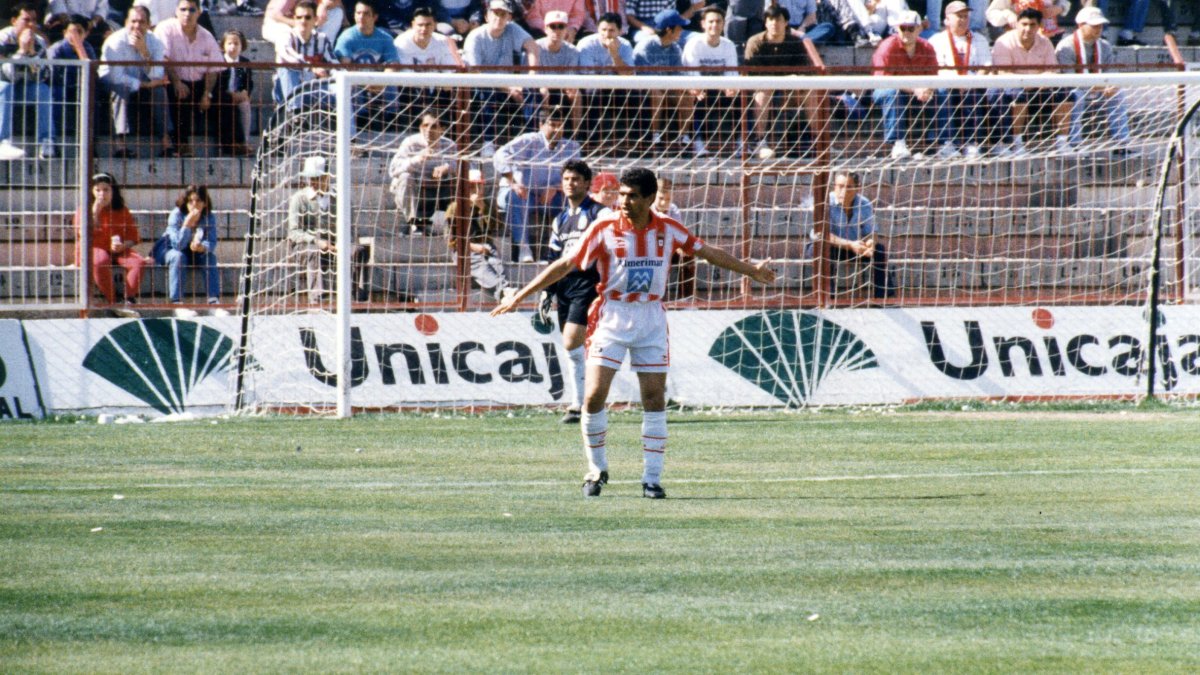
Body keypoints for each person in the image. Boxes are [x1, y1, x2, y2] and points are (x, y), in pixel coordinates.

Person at [491, 167, 776, 499]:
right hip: (612, 314)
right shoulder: (605, 228)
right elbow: (566, 263)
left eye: (632, 196)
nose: (624, 201)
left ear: (650, 199)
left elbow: (708, 252)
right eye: (622, 195)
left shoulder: (668, 229)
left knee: (653, 399)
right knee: (594, 395)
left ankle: (651, 478)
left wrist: (751, 271)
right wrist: (519, 296)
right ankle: (596, 471)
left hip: (650, 318)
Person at [538, 159, 607, 423]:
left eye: (576, 179)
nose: (571, 183)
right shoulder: (560, 220)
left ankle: (581, 404)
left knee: (571, 340)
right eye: (567, 179)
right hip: (564, 285)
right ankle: (578, 403)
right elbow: (552, 258)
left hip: (588, 281)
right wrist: (547, 291)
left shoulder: (599, 214)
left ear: (588, 183)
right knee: (572, 348)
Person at [494, 106, 581, 262]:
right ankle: (523, 248)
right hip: (522, 192)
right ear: (541, 125)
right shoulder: (528, 140)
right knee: (515, 198)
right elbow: (499, 155)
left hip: (551, 195)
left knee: (574, 200)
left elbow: (578, 175)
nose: (557, 129)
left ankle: (565, 247)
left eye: (560, 125)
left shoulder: (571, 147)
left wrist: (555, 188)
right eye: (552, 125)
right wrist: (513, 183)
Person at [287, 156, 372, 303]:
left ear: (327, 177)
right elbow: (294, 232)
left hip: (334, 244)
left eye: (317, 178)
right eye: (310, 178)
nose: (313, 182)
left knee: (357, 250)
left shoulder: (341, 197)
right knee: (314, 251)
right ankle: (317, 297)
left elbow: (349, 227)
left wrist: (342, 242)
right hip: (306, 245)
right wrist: (316, 241)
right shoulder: (299, 198)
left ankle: (354, 295)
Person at [462, 0, 539, 158]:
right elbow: (476, 73)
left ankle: (533, 141)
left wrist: (532, 77)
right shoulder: (475, 37)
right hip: (482, 86)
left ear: (509, 17)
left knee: (532, 91)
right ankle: (488, 142)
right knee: (486, 92)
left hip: (509, 85)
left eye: (503, 14)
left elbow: (532, 45)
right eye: (495, 13)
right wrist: (509, 88)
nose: (498, 17)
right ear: (486, 16)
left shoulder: (512, 29)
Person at [744, 4, 819, 158]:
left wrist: (792, 81)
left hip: (789, 91)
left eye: (778, 20)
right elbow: (753, 74)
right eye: (770, 20)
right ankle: (759, 141)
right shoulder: (755, 42)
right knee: (764, 92)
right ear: (765, 23)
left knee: (811, 92)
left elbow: (803, 71)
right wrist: (781, 80)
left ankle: (818, 141)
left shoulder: (795, 42)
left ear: (786, 23)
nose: (774, 23)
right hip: (761, 89)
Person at [990, 7, 1066, 156]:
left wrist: (1032, 82)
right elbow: (1003, 73)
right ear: (1017, 24)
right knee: (1017, 94)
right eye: (1024, 24)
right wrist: (1033, 81)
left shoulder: (1045, 42)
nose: (1027, 29)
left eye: (1032, 25)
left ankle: (1062, 142)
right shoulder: (1003, 42)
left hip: (1038, 90)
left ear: (1039, 26)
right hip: (1012, 91)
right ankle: (1017, 142)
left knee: (1065, 94)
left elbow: (1052, 71)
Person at [99, 5, 171, 158]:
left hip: (143, 83)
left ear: (149, 23)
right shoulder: (115, 41)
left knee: (159, 91)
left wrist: (144, 52)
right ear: (126, 22)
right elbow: (116, 77)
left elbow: (156, 75)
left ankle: (166, 142)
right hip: (113, 83)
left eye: (142, 21)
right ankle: (120, 145)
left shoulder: (156, 42)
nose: (137, 25)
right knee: (121, 90)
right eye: (133, 21)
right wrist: (144, 84)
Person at [1055, 6, 1130, 153]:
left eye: (1101, 26)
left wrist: (1111, 86)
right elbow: (1069, 79)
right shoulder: (1066, 46)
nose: (1098, 29)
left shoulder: (1105, 46)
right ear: (1081, 25)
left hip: (1099, 89)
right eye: (1094, 26)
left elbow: (1111, 73)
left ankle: (1122, 144)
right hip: (1074, 90)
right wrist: (1098, 87)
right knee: (1075, 96)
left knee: (1118, 95)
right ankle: (1074, 144)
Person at [155, 0, 223, 157]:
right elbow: (164, 58)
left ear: (199, 12)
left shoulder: (206, 36)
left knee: (224, 98)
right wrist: (177, 82)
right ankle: (182, 144)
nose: (187, 14)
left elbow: (213, 69)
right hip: (174, 80)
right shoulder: (165, 28)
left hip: (200, 83)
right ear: (176, 11)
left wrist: (207, 93)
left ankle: (233, 144)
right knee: (178, 93)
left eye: (192, 10)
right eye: (183, 9)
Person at [813, 171, 895, 298]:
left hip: (854, 247)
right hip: (828, 246)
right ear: (834, 186)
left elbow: (872, 232)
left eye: (849, 187)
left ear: (858, 188)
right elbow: (820, 234)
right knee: (823, 249)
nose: (844, 191)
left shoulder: (865, 203)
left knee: (879, 250)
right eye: (840, 186)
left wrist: (870, 243)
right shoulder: (825, 203)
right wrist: (850, 245)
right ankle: (827, 298)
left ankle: (884, 298)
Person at [871, 10, 939, 159]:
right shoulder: (887, 46)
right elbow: (883, 80)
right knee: (892, 92)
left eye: (911, 28)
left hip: (918, 92)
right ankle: (897, 142)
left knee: (941, 93)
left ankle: (940, 143)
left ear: (919, 29)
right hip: (886, 91)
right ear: (897, 29)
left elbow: (934, 76)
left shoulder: (927, 47)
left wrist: (928, 89)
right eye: (903, 28)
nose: (906, 32)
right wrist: (915, 89)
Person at [927, 0, 991, 158]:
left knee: (974, 94)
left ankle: (972, 143)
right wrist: (955, 81)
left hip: (972, 85)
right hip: (946, 85)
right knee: (943, 92)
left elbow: (986, 66)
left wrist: (972, 82)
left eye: (965, 16)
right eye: (958, 16)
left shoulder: (978, 39)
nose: (963, 20)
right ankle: (946, 143)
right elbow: (932, 69)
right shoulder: (936, 40)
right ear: (947, 20)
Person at [79, 172, 148, 310]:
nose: (101, 194)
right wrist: (94, 213)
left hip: (118, 250)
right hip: (95, 249)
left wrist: (123, 246)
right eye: (97, 190)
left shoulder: (122, 210)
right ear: (91, 192)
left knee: (138, 262)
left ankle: (129, 299)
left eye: (106, 190)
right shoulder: (84, 210)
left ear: (113, 191)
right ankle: (113, 301)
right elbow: (82, 234)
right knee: (100, 261)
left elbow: (133, 237)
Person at [444, 169, 514, 302]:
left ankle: (505, 288)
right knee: (478, 263)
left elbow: (495, 228)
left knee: (495, 261)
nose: (475, 190)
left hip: (485, 245)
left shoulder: (487, 204)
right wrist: (472, 246)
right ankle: (503, 291)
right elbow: (452, 240)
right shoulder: (455, 207)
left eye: (478, 186)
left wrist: (483, 209)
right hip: (464, 249)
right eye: (471, 186)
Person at [632, 9, 695, 151]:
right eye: (679, 28)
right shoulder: (646, 46)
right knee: (656, 93)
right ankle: (655, 135)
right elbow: (644, 79)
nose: (681, 31)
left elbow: (678, 75)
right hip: (645, 91)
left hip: (667, 88)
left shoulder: (675, 48)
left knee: (687, 95)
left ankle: (683, 137)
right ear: (669, 30)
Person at [388, 111, 458, 235]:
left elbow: (459, 165)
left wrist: (447, 167)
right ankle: (413, 222)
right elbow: (393, 169)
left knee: (461, 180)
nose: (429, 130)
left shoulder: (449, 145)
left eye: (434, 126)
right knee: (405, 177)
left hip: (438, 190)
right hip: (415, 190)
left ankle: (457, 224)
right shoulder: (410, 143)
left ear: (442, 129)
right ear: (420, 127)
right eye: (425, 125)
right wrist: (416, 159)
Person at [681, 5, 738, 157]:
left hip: (720, 88)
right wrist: (699, 88)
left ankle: (742, 143)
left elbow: (732, 72)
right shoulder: (694, 44)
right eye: (711, 21)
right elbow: (692, 72)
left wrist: (730, 88)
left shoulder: (728, 45)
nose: (715, 25)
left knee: (741, 98)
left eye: (718, 21)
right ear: (703, 24)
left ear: (723, 24)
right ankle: (698, 142)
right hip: (698, 88)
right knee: (697, 97)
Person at [0, 4, 56, 160]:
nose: (31, 25)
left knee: (43, 90)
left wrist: (31, 54)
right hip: (3, 87)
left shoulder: (39, 42)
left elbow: (43, 76)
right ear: (13, 21)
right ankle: (3, 141)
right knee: (5, 87)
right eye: (26, 20)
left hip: (25, 86)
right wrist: (21, 52)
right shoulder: (3, 39)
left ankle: (46, 140)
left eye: (34, 20)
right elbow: (7, 75)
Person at [153, 184, 220, 304]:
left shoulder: (208, 216)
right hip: (170, 248)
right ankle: (176, 302)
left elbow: (212, 242)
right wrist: (187, 224)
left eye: (198, 200)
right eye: (190, 201)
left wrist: (202, 247)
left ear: (205, 203)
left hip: (194, 251)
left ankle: (213, 301)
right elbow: (177, 245)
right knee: (179, 256)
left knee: (210, 257)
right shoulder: (176, 214)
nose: (194, 204)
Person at [393, 6, 464, 120]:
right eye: (420, 25)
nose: (424, 29)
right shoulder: (402, 42)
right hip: (412, 93)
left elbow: (448, 77)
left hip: (436, 91)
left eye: (428, 25)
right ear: (412, 25)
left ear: (435, 25)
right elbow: (407, 79)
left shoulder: (442, 41)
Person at [275, 0, 335, 109]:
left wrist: (346, 78)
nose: (303, 21)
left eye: (307, 17)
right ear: (294, 19)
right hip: (286, 90)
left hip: (313, 89)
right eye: (299, 17)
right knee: (287, 68)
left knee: (344, 92)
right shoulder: (286, 36)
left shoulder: (322, 39)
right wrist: (312, 68)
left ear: (315, 20)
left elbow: (334, 63)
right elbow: (289, 57)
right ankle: (295, 113)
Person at [47, 14, 95, 144]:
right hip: (59, 85)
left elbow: (92, 73)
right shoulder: (57, 49)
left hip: (80, 86)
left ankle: (89, 142)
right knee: (55, 95)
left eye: (79, 32)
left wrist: (80, 48)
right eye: (71, 32)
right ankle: (52, 141)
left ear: (86, 33)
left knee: (92, 96)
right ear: (64, 33)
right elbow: (52, 74)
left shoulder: (88, 48)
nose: (75, 36)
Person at [532, 10, 581, 130]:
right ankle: (541, 133)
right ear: (546, 29)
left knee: (576, 94)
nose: (557, 30)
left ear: (566, 29)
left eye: (561, 26)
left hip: (562, 87)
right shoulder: (535, 48)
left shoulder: (573, 51)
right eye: (553, 26)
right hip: (541, 88)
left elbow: (570, 79)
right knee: (543, 92)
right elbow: (532, 78)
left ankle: (577, 136)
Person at [214, 29, 253, 156]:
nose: (233, 47)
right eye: (229, 43)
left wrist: (245, 92)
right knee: (226, 106)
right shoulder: (219, 61)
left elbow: (248, 82)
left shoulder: (244, 63)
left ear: (242, 46)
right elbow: (216, 84)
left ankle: (245, 142)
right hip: (223, 95)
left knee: (245, 105)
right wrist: (230, 95)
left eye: (236, 44)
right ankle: (227, 144)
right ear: (223, 46)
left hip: (239, 95)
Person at [984, 0, 1067, 44]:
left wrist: (1060, 8)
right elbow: (991, 13)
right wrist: (1007, 14)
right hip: (1020, 41)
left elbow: (1064, 3)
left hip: (1049, 39)